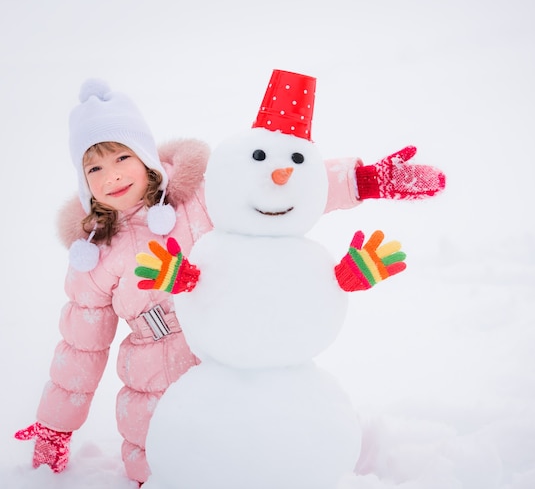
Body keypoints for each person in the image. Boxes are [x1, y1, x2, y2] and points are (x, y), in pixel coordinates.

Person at [14, 78, 445, 486]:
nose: (111, 176)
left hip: (234, 353)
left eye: (122, 157)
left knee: (253, 454)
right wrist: (55, 426)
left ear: (145, 155)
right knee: (163, 467)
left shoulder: (199, 197)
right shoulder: (94, 255)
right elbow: (80, 348)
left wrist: (365, 181)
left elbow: (278, 187)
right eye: (94, 168)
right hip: (153, 387)